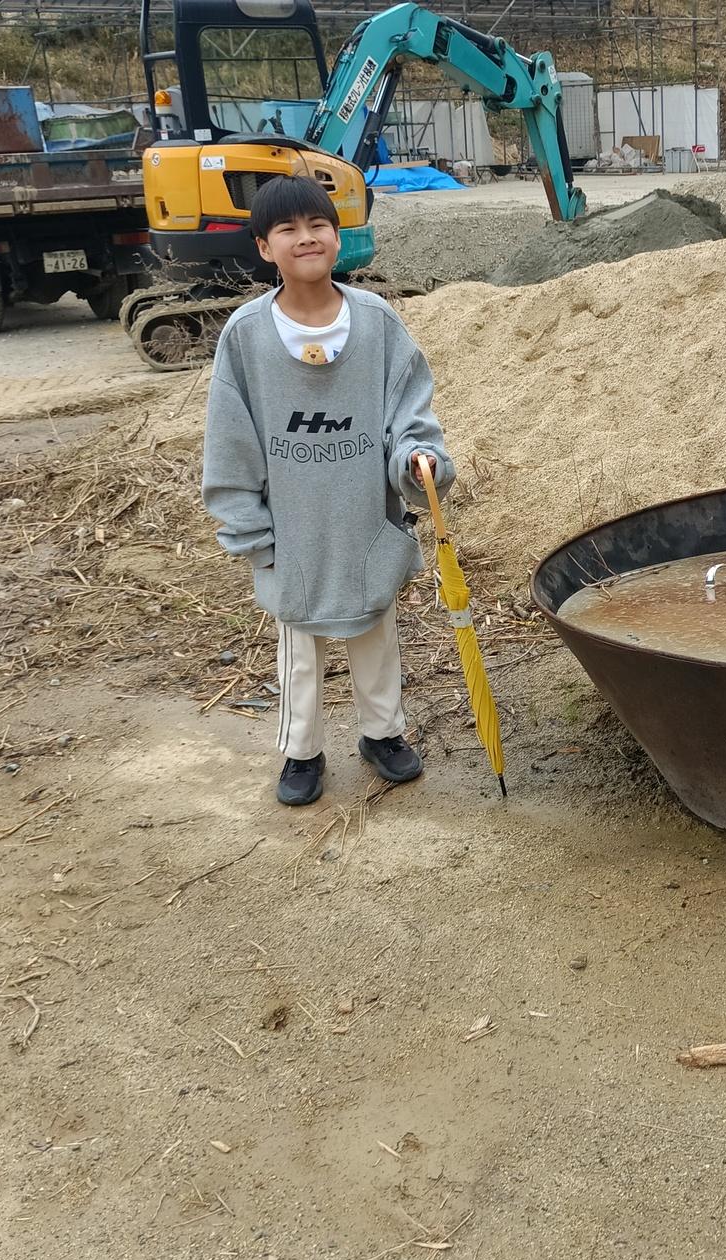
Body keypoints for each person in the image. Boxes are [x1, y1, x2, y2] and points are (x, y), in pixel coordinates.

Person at [201, 174, 455, 806]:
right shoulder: (246, 335)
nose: (305, 237)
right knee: (300, 644)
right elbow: (231, 441)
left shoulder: (376, 323)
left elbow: (408, 412)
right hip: (295, 525)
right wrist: (251, 532)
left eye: (318, 225)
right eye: (286, 229)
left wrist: (418, 458)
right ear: (264, 248)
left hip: (364, 517)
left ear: (339, 238)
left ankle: (383, 734)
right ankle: (301, 750)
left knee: (375, 627)